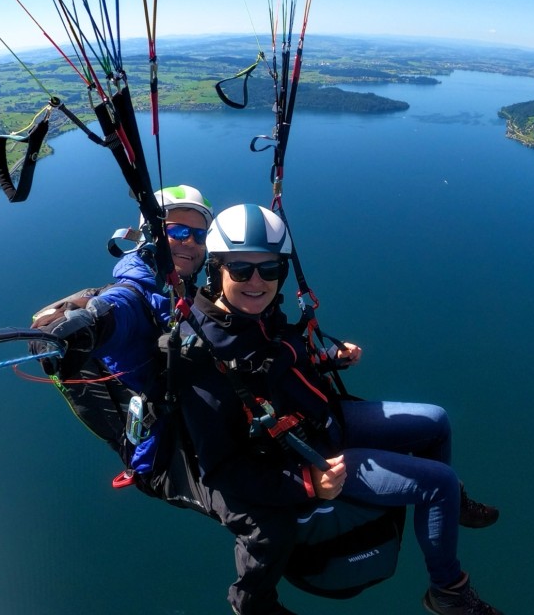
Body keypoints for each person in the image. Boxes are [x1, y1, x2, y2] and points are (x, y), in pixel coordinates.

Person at [179, 203, 503, 615]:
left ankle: (449, 507)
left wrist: (328, 358)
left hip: (321, 421)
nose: (257, 282)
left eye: (270, 269)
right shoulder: (203, 356)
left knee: (436, 421)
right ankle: (449, 592)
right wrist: (308, 483)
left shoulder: (257, 314)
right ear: (217, 270)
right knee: (436, 482)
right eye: (241, 270)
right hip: (310, 454)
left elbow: (274, 370)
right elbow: (221, 471)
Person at [32, 184, 213, 443]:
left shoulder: (180, 292)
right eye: (178, 231)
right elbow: (114, 309)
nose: (190, 242)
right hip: (171, 446)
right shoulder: (135, 293)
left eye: (200, 235)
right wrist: (83, 324)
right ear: (150, 237)